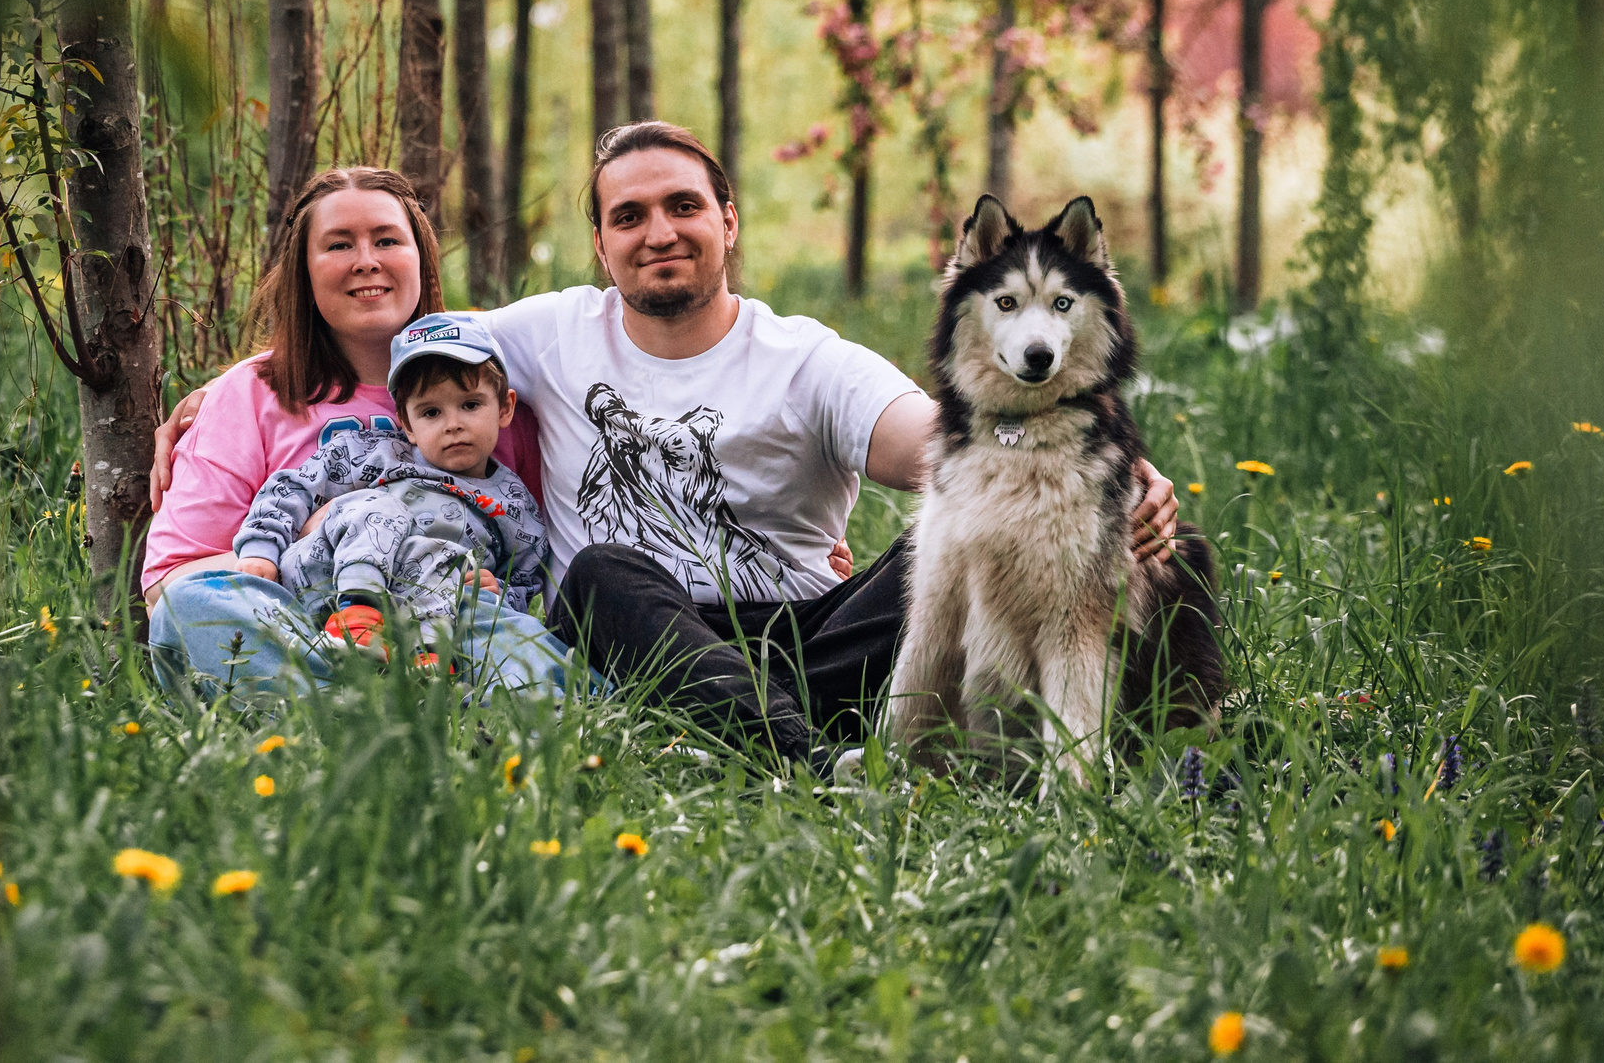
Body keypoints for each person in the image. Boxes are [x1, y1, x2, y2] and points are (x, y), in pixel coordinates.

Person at [151, 126, 1178, 764]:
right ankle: (808, 764)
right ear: (600, 245)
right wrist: (230, 385)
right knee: (598, 573)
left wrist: (1092, 472)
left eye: (683, 206)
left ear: (728, 221)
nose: (659, 232)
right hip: (641, 639)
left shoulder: (804, 355)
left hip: (807, 641)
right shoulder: (539, 335)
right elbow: (400, 348)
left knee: (945, 536)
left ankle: (1141, 729)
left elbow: (937, 444)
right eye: (628, 216)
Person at [139, 168, 574, 697]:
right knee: (189, 613)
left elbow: (531, 550)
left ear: (420, 256)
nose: (367, 260)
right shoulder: (249, 395)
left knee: (522, 648)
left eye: (388, 240)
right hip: (307, 628)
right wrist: (319, 534)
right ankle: (370, 722)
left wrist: (498, 592)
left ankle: (402, 723)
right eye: (339, 244)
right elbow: (171, 581)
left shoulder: (490, 381)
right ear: (304, 269)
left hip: (450, 623)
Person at [231, 312, 547, 661]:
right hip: (323, 582)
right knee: (378, 507)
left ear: (505, 407)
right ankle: (357, 616)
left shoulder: (514, 505)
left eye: (470, 405)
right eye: (431, 413)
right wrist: (260, 549)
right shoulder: (375, 453)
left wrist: (498, 590)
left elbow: (526, 582)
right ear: (407, 424)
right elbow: (291, 488)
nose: (452, 425)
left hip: (433, 611)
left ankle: (428, 665)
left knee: (452, 567)